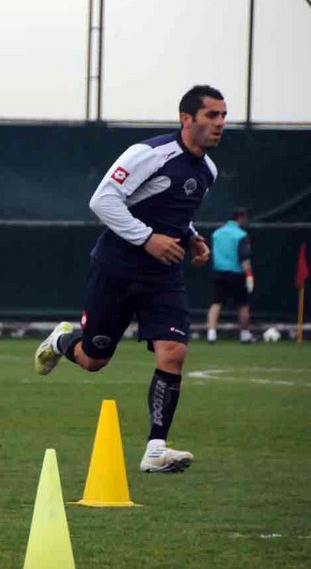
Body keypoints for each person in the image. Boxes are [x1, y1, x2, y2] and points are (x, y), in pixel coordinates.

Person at [34, 85, 227, 474]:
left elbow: (173, 210)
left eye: (223, 116)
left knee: (173, 351)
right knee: (94, 360)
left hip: (163, 275)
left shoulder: (208, 171)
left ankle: (156, 449)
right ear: (186, 118)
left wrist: (191, 237)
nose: (220, 123)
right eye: (212, 115)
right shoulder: (149, 154)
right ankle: (60, 341)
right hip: (117, 269)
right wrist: (147, 239)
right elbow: (103, 200)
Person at [206, 208, 254, 343]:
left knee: (216, 303)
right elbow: (244, 258)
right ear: (241, 218)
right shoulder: (241, 235)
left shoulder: (216, 233)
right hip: (237, 273)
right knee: (243, 304)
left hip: (219, 272)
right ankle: (245, 335)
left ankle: (211, 334)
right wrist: (249, 275)